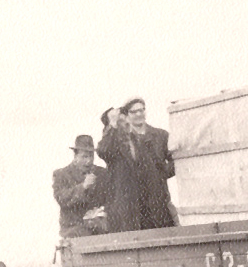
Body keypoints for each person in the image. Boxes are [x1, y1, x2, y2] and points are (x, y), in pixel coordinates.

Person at [121, 97, 177, 229]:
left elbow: (176, 160)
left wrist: (161, 174)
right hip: (135, 201)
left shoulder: (161, 135)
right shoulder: (124, 140)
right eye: (134, 112)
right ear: (127, 116)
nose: (139, 114)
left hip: (159, 197)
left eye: (141, 110)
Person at [96, 108, 144, 233]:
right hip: (122, 206)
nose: (126, 122)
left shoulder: (135, 140)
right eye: (121, 121)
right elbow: (103, 150)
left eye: (125, 118)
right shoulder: (112, 147)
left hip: (141, 203)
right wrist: (112, 124)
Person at [52, 135, 110, 237]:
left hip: (99, 230)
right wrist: (83, 187)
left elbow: (110, 199)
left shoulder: (102, 173)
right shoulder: (61, 174)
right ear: (75, 156)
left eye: (91, 156)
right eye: (84, 156)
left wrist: (101, 213)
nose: (89, 161)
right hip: (73, 230)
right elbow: (61, 199)